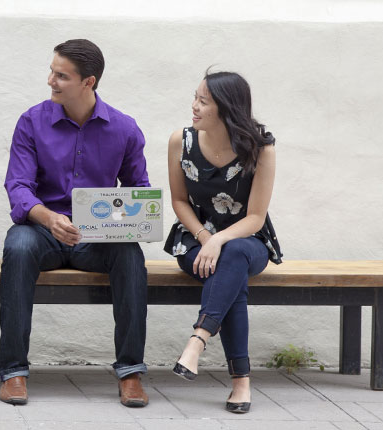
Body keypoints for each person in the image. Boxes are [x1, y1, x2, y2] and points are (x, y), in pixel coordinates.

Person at [0, 39, 150, 407]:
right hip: (41, 231)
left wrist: (123, 221)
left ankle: (130, 372)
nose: (51, 80)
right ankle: (13, 372)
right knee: (17, 247)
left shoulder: (125, 129)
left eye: (61, 75)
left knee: (130, 256)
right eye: (52, 71)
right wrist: (49, 219)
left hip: (97, 239)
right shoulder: (31, 121)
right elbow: (17, 185)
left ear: (89, 82)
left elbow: (138, 191)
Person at [165, 71, 280, 414]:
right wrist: (205, 237)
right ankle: (240, 381)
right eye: (195, 97)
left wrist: (220, 240)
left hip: (248, 239)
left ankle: (197, 341)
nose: (194, 106)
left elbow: (256, 217)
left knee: (232, 255)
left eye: (203, 101)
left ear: (226, 109)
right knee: (231, 276)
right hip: (195, 239)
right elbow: (179, 201)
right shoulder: (180, 141)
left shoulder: (261, 148)